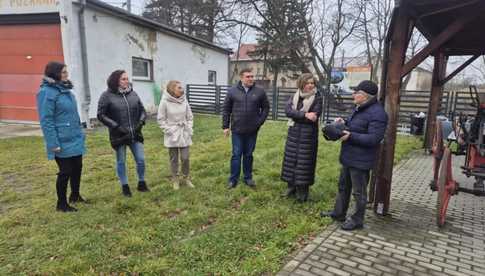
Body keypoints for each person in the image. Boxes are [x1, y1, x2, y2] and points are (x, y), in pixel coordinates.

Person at [320, 80, 388, 231]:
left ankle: (357, 220)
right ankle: (339, 213)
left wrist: (350, 136)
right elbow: (356, 126)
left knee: (359, 192)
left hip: (362, 160)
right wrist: (343, 122)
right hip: (349, 156)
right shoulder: (360, 108)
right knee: (343, 187)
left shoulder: (378, 114)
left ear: (364, 96)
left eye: (356, 92)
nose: (353, 94)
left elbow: (374, 139)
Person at [37, 62, 86, 212]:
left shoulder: (66, 91)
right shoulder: (46, 92)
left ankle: (75, 195)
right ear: (54, 73)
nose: (66, 74)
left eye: (66, 72)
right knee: (65, 171)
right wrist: (53, 143)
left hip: (74, 137)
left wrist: (80, 132)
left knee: (77, 167)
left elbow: (73, 115)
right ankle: (61, 203)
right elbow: (46, 120)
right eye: (63, 72)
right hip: (61, 140)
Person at [97, 70, 149, 197]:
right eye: (123, 79)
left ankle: (141, 182)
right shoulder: (106, 95)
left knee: (141, 160)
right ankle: (125, 186)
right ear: (116, 81)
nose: (127, 81)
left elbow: (142, 110)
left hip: (135, 133)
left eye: (127, 79)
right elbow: (101, 115)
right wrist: (116, 127)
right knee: (121, 161)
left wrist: (141, 122)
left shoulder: (133, 94)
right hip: (119, 135)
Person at [222, 68, 270, 189]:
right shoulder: (232, 91)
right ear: (241, 78)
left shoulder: (259, 92)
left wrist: (259, 122)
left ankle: (248, 178)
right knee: (236, 155)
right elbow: (226, 110)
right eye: (248, 77)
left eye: (252, 76)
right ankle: (233, 179)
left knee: (248, 154)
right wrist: (225, 126)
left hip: (252, 130)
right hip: (237, 130)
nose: (251, 79)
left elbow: (266, 108)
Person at [281, 73, 322, 202]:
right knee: (291, 160)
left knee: (305, 163)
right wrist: (304, 115)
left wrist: (297, 115)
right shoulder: (295, 95)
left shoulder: (318, 98)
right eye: (308, 83)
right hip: (293, 133)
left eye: (312, 83)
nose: (310, 85)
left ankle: (302, 190)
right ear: (302, 83)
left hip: (308, 136)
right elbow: (287, 111)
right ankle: (291, 186)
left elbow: (314, 117)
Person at [157, 80, 194, 190]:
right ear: (172, 89)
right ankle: (175, 179)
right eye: (179, 87)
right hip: (172, 133)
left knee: (185, 157)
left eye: (181, 87)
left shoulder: (184, 100)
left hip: (184, 132)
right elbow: (160, 119)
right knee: (174, 158)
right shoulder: (165, 101)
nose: (182, 89)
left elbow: (190, 117)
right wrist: (169, 130)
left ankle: (186, 178)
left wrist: (189, 128)